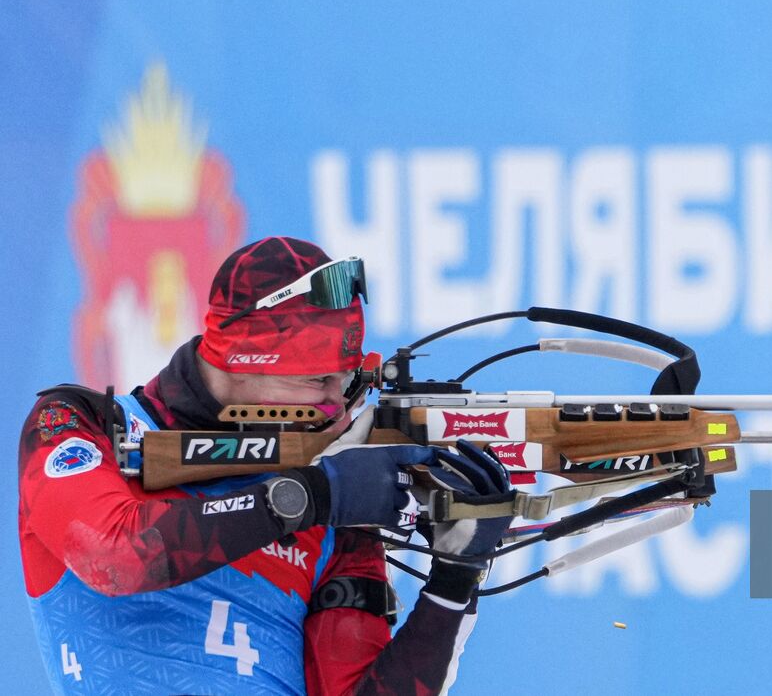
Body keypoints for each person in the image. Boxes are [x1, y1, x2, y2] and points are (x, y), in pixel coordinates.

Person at [18, 236, 514, 695]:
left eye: (345, 380)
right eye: (317, 380)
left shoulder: (333, 500)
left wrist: (455, 579)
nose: (337, 405)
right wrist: (310, 497)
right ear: (245, 359)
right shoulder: (80, 423)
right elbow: (114, 556)